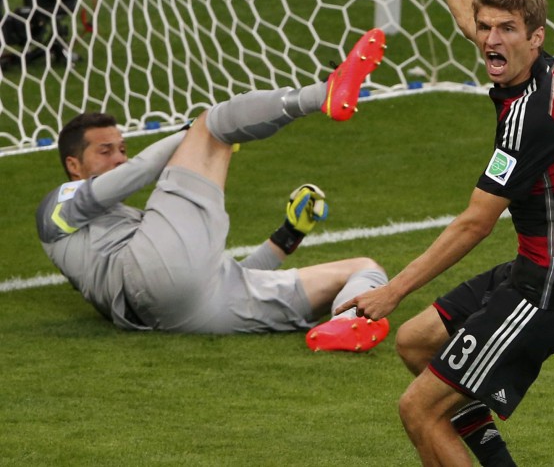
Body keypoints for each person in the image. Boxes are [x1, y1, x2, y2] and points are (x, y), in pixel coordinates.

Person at [336, 0, 554, 466]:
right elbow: (469, 13)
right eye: (487, 29)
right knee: (416, 342)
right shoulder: (533, 70)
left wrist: (392, 291)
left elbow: (474, 224)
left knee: (418, 410)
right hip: (535, 267)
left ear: (535, 37)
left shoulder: (532, 116)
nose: (489, 40)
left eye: (506, 30)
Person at [36, 30, 391, 350]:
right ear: (73, 165)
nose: (117, 158)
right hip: (141, 286)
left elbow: (215, 275)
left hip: (187, 313)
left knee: (364, 269)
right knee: (213, 123)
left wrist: (288, 235)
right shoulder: (57, 206)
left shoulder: (140, 228)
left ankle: (347, 325)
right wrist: (192, 132)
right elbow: (139, 172)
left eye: (122, 149)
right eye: (104, 151)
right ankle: (323, 93)